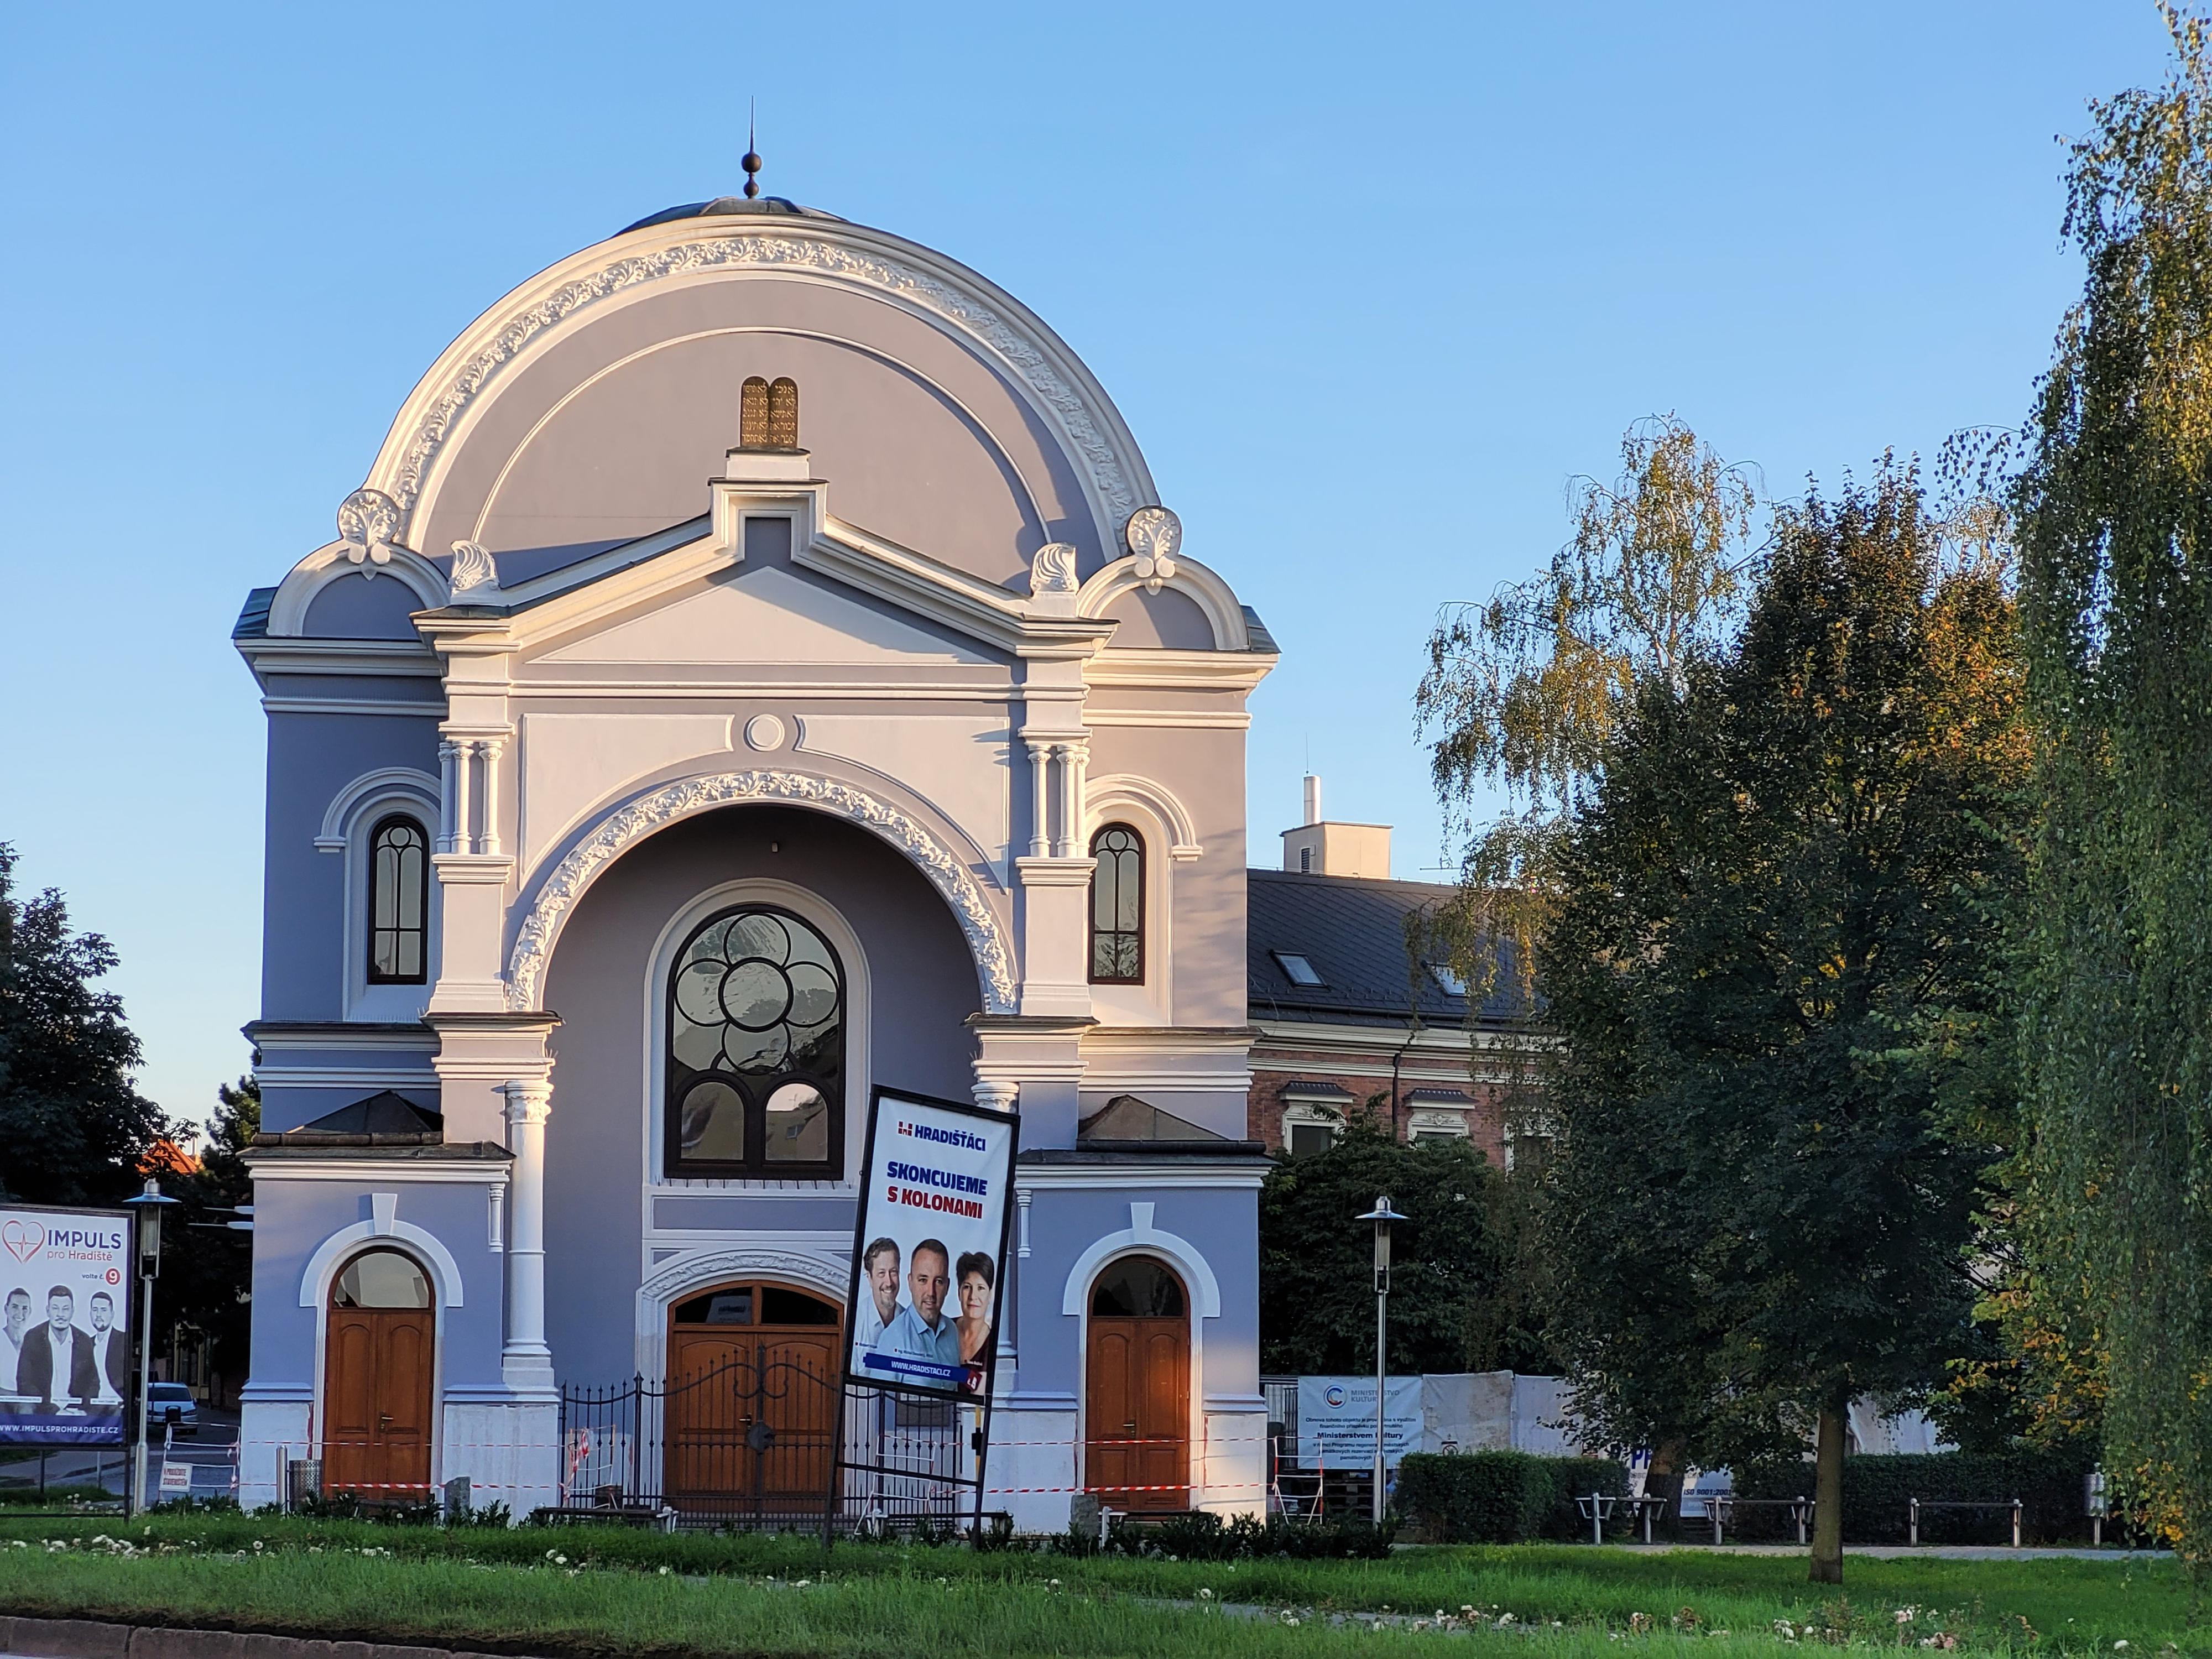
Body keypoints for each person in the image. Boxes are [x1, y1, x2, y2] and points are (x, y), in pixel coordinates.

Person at [884, 1239, 961, 1380]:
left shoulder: (952, 1331)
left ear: (947, 1287)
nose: (931, 1292)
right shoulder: (893, 1337)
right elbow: (881, 1399)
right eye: (923, 1280)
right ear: (910, 1282)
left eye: (938, 1281)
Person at [16, 1286, 97, 1415]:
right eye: (55, 1308)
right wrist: (54, 1411)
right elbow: (25, 1383)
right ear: (48, 1311)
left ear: (73, 1311)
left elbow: (93, 1383)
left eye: (66, 1309)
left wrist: (82, 1410)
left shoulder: (84, 1340)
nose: (60, 1315)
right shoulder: (33, 1337)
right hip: (43, 1409)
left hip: (75, 1410)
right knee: (25, 1410)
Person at [851, 1238, 901, 1378]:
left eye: (894, 1272)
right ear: (870, 1278)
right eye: (881, 1273)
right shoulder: (855, 1321)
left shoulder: (910, 1321)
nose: (889, 1282)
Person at [952, 1251, 994, 1391]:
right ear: (959, 1292)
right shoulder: (943, 1328)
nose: (973, 1296)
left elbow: (979, 1394)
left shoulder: (993, 1343)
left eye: (980, 1288)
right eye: (967, 1287)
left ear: (991, 1295)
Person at [85, 1291, 126, 1415]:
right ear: (90, 1313)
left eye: (103, 1310)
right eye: (95, 1310)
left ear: (112, 1314)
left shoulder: (123, 1340)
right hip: (92, 1405)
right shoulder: (86, 1344)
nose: (98, 1315)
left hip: (117, 1404)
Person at [1, 1288, 30, 1404]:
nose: (20, 1313)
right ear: (6, 1309)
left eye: (25, 1309)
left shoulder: (34, 1341)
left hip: (28, 1403)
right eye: (15, 1307)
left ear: (30, 1312)